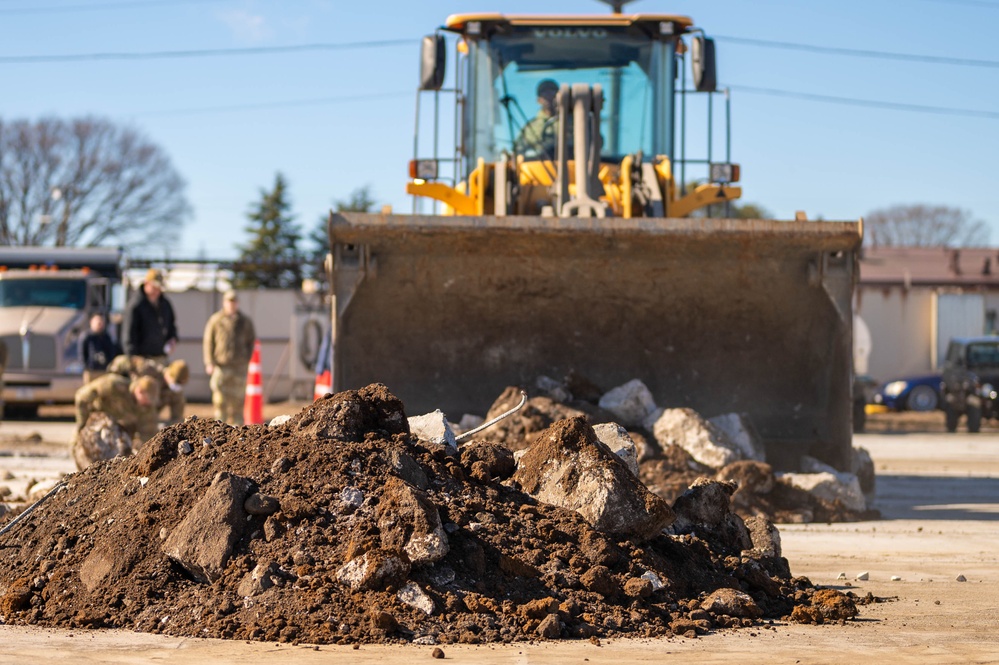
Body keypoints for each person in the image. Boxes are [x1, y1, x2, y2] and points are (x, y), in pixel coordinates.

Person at [203, 290, 256, 425]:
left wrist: (246, 359)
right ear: (224, 302)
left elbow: (251, 341)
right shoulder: (216, 320)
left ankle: (237, 429)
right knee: (220, 400)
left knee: (238, 400)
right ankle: (219, 427)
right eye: (229, 301)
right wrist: (209, 362)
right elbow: (209, 341)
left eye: (234, 302)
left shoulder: (244, 321)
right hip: (222, 365)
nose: (231, 305)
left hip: (239, 366)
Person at [107, 355, 190, 437]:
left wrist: (169, 429)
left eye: (181, 384)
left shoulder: (176, 392)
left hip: (148, 418)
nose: (177, 386)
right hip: (129, 406)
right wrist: (114, 375)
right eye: (176, 382)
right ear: (169, 374)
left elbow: (177, 418)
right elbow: (124, 361)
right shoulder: (149, 369)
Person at [73, 373, 160, 441]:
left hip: (120, 434)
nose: (148, 402)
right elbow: (81, 397)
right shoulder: (113, 385)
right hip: (96, 423)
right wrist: (82, 427)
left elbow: (149, 434)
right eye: (147, 398)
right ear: (139, 391)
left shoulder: (147, 407)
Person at [124, 268, 178, 364]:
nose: (157, 291)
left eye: (159, 288)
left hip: (161, 357)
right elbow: (128, 337)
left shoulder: (165, 304)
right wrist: (134, 360)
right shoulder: (136, 306)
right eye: (154, 287)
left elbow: (171, 326)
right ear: (146, 284)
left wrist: (172, 339)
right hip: (142, 360)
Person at [515, 78, 560, 156]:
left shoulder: (574, 122)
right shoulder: (529, 128)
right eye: (544, 93)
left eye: (552, 92)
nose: (549, 96)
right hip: (537, 167)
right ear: (538, 100)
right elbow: (518, 152)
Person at [79, 312, 122, 384]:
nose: (99, 324)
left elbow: (111, 352)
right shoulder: (86, 336)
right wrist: (86, 367)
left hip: (104, 370)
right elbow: (82, 354)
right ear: (91, 322)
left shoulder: (106, 337)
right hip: (91, 371)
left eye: (101, 321)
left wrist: (110, 366)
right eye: (97, 321)